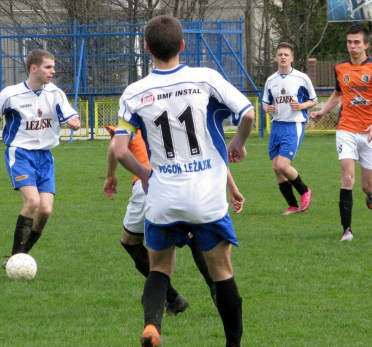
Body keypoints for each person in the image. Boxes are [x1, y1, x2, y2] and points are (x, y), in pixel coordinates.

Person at [113, 15, 255, 347]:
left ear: (147, 48)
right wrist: (238, 144)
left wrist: (147, 174)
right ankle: (233, 344)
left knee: (159, 267)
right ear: (183, 45)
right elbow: (248, 113)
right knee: (221, 271)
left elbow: (120, 150)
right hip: (206, 197)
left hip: (163, 197)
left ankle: (152, 326)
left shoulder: (135, 92)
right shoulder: (205, 78)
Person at [103, 125, 245, 314]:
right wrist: (233, 188)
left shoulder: (133, 118)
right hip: (186, 185)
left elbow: (116, 147)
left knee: (131, 242)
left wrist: (110, 175)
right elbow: (213, 153)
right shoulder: (178, 122)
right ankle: (217, 290)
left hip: (149, 186)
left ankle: (172, 298)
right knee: (193, 233)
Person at [0, 49, 81, 267]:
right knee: (32, 202)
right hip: (19, 153)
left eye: (53, 67)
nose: (53, 71)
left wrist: (74, 121)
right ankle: (16, 258)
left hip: (45, 156)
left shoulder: (55, 93)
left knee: (46, 210)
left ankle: (20, 256)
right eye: (48, 67)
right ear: (33, 68)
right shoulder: (11, 94)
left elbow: (71, 114)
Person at [310, 24, 372, 242]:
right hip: (346, 129)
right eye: (349, 42)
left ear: (366, 45)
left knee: (365, 185)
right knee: (347, 177)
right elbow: (338, 93)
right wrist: (322, 111)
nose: (352, 46)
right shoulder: (340, 68)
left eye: (356, 42)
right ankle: (347, 230)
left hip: (371, 133)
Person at [262, 42, 317, 215]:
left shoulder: (301, 78)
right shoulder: (271, 80)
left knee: (283, 165)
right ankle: (292, 205)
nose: (283, 57)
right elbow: (265, 103)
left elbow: (313, 100)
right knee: (276, 168)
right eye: (280, 54)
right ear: (276, 58)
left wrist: (301, 106)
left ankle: (305, 191)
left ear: (292, 58)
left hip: (294, 125)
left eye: (286, 54)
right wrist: (267, 109)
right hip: (277, 125)